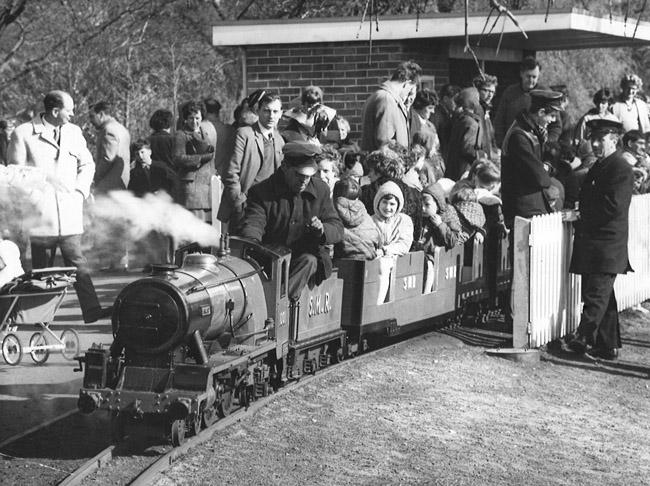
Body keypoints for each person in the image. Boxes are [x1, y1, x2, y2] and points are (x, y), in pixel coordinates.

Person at [7, 90, 111, 323]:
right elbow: (15, 173)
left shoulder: (74, 132)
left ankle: (92, 310)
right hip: (40, 216)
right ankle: (39, 318)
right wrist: (42, 182)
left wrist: (79, 191)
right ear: (55, 111)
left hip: (69, 215)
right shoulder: (23, 133)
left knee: (77, 262)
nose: (73, 114)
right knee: (42, 272)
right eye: (69, 109)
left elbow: (87, 164)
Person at [239, 141, 343, 301]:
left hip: (305, 259)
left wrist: (322, 230)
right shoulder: (261, 192)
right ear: (285, 167)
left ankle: (279, 306)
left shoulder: (321, 190)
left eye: (308, 177)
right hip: (271, 260)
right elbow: (254, 224)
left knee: (309, 260)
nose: (304, 181)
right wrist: (251, 242)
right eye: (299, 175)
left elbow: (337, 227)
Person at [568, 119, 633, 361]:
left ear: (614, 140)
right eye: (592, 139)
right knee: (604, 295)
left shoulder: (620, 168)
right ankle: (607, 345)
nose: (594, 144)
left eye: (600, 139)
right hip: (597, 243)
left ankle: (583, 337)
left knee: (596, 294)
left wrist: (583, 214)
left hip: (607, 244)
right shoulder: (602, 166)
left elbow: (613, 207)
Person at [218, 93, 285, 229]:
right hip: (246, 207)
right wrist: (239, 202)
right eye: (266, 110)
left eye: (275, 111)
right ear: (258, 111)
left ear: (280, 113)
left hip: (270, 208)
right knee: (242, 248)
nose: (271, 115)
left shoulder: (280, 140)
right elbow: (231, 172)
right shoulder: (244, 134)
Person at [501, 90, 565, 228]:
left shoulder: (532, 131)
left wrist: (545, 167)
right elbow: (539, 177)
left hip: (531, 203)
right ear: (541, 112)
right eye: (552, 115)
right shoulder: (519, 137)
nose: (553, 120)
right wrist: (546, 167)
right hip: (523, 208)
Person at [493, 57, 559, 147]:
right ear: (521, 74)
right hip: (513, 145)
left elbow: (556, 126)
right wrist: (501, 144)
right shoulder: (510, 92)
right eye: (528, 76)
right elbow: (499, 121)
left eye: (534, 77)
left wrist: (547, 143)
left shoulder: (546, 94)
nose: (531, 80)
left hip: (537, 147)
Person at [360, 61, 422, 151]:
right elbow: (385, 147)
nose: (408, 96)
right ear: (406, 83)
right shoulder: (386, 100)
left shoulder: (380, 96)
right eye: (410, 90)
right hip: (385, 164)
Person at [372, 180, 414, 304]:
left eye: (392, 204)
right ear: (378, 202)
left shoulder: (404, 221)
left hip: (395, 258)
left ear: (398, 205)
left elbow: (404, 244)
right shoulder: (371, 220)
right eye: (384, 202)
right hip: (375, 256)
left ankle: (378, 305)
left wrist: (386, 250)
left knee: (383, 266)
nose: (388, 207)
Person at [173, 100, 215, 222]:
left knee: (206, 229)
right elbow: (177, 158)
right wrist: (201, 158)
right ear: (185, 119)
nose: (195, 121)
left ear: (202, 117)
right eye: (191, 118)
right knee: (194, 230)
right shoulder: (181, 135)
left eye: (197, 118)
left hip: (207, 189)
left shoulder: (205, 133)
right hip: (191, 189)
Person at [332, 177, 380, 260]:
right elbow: (378, 237)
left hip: (344, 259)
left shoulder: (333, 210)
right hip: (368, 257)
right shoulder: (365, 214)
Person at [89, 101, 131, 194]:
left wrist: (95, 177)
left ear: (101, 114)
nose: (90, 121)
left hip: (109, 187)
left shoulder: (108, 130)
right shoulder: (121, 128)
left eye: (92, 116)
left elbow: (107, 159)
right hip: (120, 186)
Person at [445, 87, 485, 181]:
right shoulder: (471, 123)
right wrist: (481, 155)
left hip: (454, 168)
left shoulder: (460, 119)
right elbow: (467, 148)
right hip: (465, 170)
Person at [204, 97, 235, 176]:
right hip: (223, 175)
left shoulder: (200, 128)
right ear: (218, 111)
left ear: (204, 111)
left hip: (204, 176)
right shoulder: (229, 129)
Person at [473, 74, 499, 162]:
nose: (490, 95)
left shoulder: (486, 110)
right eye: (486, 90)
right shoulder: (475, 110)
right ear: (478, 90)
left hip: (487, 158)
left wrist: (495, 151)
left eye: (492, 92)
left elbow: (490, 137)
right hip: (477, 159)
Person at [433, 84, 461, 163]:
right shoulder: (436, 114)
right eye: (455, 100)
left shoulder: (449, 114)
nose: (457, 104)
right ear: (445, 99)